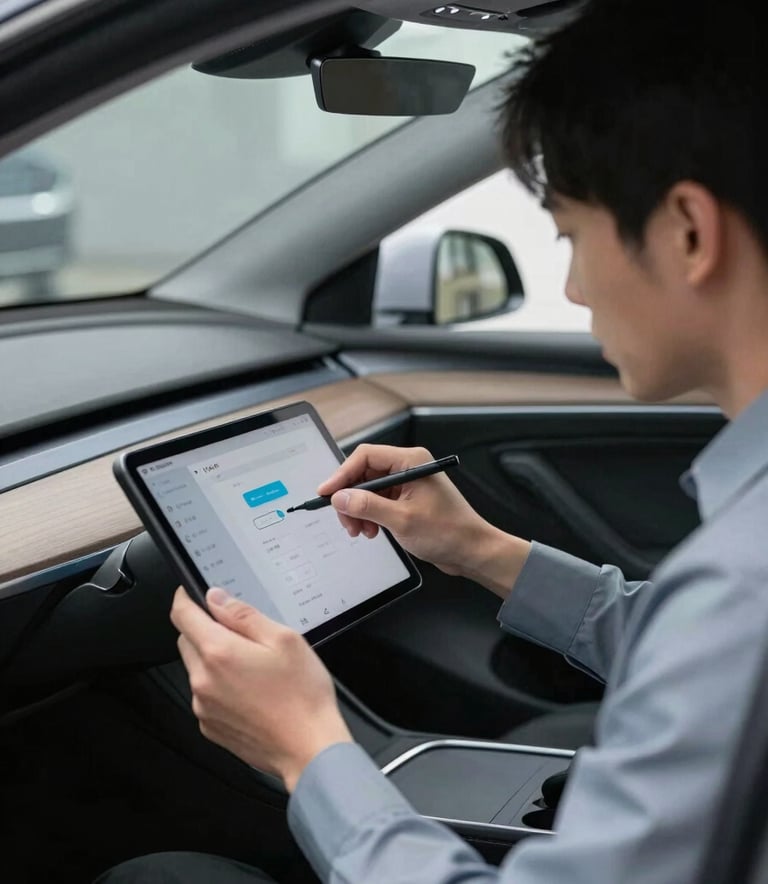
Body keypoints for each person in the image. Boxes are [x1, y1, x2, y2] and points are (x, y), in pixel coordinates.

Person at [96, 0, 768, 881]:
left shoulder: (741, 581)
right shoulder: (737, 581)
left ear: (688, 232)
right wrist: (481, 550)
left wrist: (309, 752)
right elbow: (709, 663)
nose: (573, 289)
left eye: (571, 235)